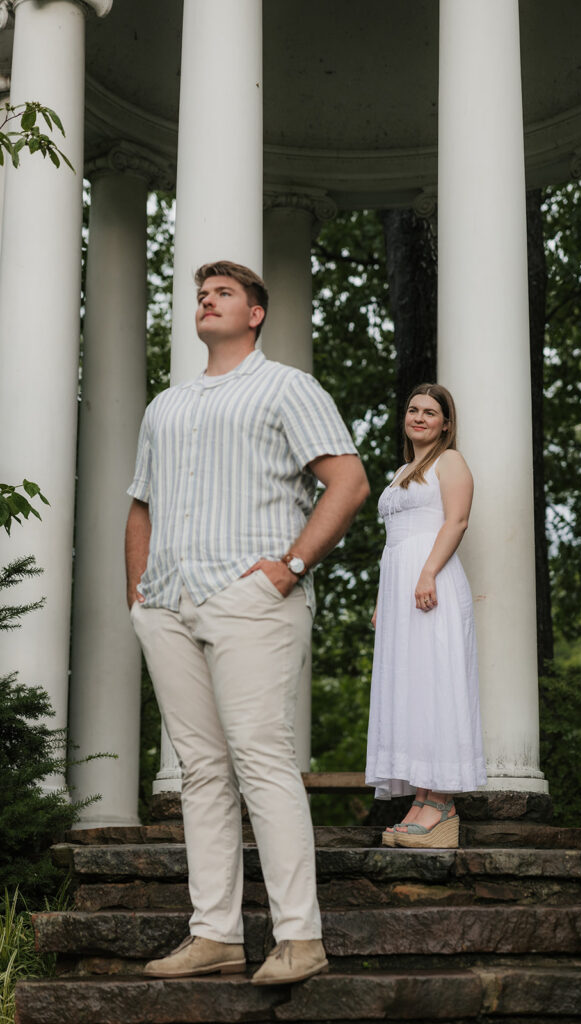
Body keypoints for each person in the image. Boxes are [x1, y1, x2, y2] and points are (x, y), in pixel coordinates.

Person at [125, 260, 369, 985]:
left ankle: (299, 937)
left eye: (223, 293)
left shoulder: (288, 387)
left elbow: (347, 481)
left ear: (255, 312)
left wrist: (290, 566)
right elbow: (140, 503)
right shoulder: (163, 406)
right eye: (201, 294)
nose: (207, 300)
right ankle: (216, 935)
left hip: (250, 598)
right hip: (168, 603)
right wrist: (138, 595)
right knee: (200, 772)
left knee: (261, 759)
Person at [365, 383, 486, 848]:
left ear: (445, 423)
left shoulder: (449, 462)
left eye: (430, 412)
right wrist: (383, 599)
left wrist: (427, 573)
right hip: (401, 589)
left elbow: (456, 520)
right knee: (410, 688)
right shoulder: (402, 471)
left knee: (436, 682)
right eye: (413, 410)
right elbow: (392, 542)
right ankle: (420, 796)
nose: (419, 417)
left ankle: (442, 801)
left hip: (430, 583)